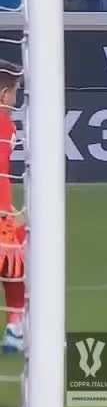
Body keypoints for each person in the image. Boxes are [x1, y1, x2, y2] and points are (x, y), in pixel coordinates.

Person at [0, 61, 25, 352]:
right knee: (27, 254)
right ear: (5, 93)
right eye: (15, 91)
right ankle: (17, 325)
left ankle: (16, 326)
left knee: (23, 245)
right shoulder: (4, 125)